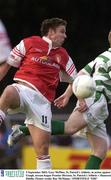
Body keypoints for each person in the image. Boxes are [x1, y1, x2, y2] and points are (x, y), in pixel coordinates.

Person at [7, 27, 111, 169]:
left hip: (96, 101)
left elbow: (79, 74)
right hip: (96, 100)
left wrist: (68, 94)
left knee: (100, 150)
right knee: (70, 128)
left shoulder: (103, 56)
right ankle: (24, 129)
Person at [0, 18, 77, 169]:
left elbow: (77, 80)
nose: (65, 36)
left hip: (42, 103)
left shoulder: (63, 54)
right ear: (51, 32)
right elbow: (7, 65)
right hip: (23, 91)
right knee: (9, 91)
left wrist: (67, 95)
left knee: (42, 152)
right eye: (62, 32)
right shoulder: (29, 42)